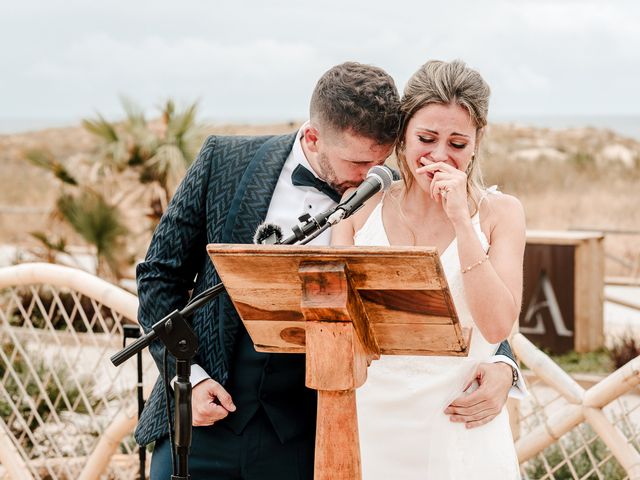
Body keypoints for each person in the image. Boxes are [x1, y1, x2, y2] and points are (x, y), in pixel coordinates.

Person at [134, 61, 523, 479]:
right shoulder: (224, 161)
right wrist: (189, 378)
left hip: (309, 431)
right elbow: (159, 276)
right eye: (356, 162)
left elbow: (442, 303)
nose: (367, 176)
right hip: (204, 419)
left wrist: (504, 363)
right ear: (315, 137)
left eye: (378, 161)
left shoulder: (380, 188)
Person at [332, 59, 526, 479]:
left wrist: (461, 220)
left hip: (459, 419)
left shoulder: (500, 214)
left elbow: (497, 327)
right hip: (370, 419)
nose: (439, 155)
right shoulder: (359, 206)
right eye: (426, 138)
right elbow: (338, 318)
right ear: (403, 136)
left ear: (476, 143)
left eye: (457, 143)